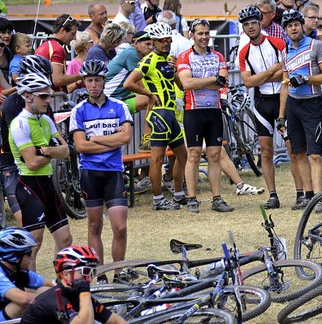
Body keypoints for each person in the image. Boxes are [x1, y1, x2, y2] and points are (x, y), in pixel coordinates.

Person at [69, 60, 132, 282]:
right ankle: (100, 273)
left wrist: (95, 138)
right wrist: (111, 141)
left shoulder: (119, 106)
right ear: (84, 83)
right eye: (89, 81)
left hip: (113, 171)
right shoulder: (78, 110)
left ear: (104, 81)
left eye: (97, 80)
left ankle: (119, 272)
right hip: (90, 172)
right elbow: (81, 146)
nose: (93, 85)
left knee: (120, 226)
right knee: (94, 226)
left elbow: (125, 138)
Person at [9, 73, 72, 270]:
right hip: (29, 185)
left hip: (48, 184)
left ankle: (60, 286)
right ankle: (29, 293)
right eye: (43, 96)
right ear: (28, 96)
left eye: (49, 95)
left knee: (65, 238)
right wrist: (51, 151)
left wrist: (45, 150)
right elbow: (32, 163)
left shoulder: (46, 120)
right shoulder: (20, 124)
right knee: (33, 245)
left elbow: (66, 151)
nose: (48, 100)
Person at [124, 22, 188, 211]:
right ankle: (158, 199)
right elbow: (129, 83)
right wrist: (150, 95)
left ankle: (178, 195)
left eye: (168, 40)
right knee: (157, 159)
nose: (166, 43)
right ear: (153, 42)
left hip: (171, 114)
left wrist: (175, 70)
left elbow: (181, 87)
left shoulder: (169, 59)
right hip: (158, 114)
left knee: (181, 155)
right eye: (161, 41)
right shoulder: (148, 60)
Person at [176, 19, 234, 213]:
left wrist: (201, 81)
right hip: (193, 111)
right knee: (193, 155)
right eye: (200, 33)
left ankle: (216, 198)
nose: (204, 37)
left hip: (214, 111)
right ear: (192, 35)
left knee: (214, 155)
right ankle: (192, 198)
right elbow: (186, 84)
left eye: (207, 33)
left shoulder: (217, 56)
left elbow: (223, 83)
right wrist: (211, 79)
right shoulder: (184, 57)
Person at [278, 9, 322, 209]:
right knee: (298, 152)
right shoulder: (285, 51)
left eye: (296, 24)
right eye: (289, 25)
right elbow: (285, 84)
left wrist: (306, 78)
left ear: (302, 25)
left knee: (315, 155)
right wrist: (281, 115)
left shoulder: (316, 46)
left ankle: (318, 199)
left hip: (312, 104)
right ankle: (308, 197)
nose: (293, 28)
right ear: (285, 29)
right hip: (293, 105)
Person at [237, 6, 291, 209]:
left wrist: (261, 76)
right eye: (246, 24)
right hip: (262, 102)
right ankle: (273, 195)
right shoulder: (244, 53)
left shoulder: (277, 43)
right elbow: (248, 83)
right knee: (266, 152)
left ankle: (301, 193)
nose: (250, 27)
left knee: (291, 149)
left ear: (260, 23)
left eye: (253, 23)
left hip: (282, 98)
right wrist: (272, 70)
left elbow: (284, 74)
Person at [0, 55, 54, 229]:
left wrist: (49, 150)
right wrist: (49, 150)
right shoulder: (10, 104)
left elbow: (55, 141)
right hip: (12, 164)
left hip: (38, 165)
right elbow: (24, 146)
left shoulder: (43, 102)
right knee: (26, 223)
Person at [21, 245, 126, 324]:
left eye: (92, 273)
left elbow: (117, 321)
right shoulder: (55, 300)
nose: (88, 278)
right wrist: (85, 294)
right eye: (84, 272)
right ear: (66, 274)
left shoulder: (76, 295)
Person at [0, 227, 55, 321]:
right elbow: (24, 299)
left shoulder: (19, 272)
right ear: (15, 256)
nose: (32, 258)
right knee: (22, 304)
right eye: (29, 254)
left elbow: (53, 285)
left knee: (44, 290)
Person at [34, 14, 80, 92]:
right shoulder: (57, 48)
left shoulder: (44, 45)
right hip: (51, 98)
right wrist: (81, 76)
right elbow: (58, 80)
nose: (74, 38)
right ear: (62, 30)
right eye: (72, 34)